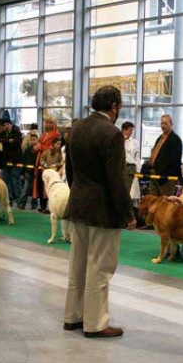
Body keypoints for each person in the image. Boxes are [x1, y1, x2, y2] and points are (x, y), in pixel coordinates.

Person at [63, 85, 136, 338]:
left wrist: (78, 195)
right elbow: (116, 181)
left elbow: (70, 171)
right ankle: (96, 324)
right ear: (114, 107)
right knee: (100, 268)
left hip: (78, 205)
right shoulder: (112, 134)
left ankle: (73, 317)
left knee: (78, 264)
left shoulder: (77, 127)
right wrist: (128, 214)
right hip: (103, 212)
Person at [146, 114, 182, 196]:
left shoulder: (175, 140)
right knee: (153, 202)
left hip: (166, 178)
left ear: (171, 124)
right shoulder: (160, 138)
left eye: (165, 123)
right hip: (154, 174)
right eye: (162, 123)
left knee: (166, 203)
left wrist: (166, 175)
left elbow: (175, 162)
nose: (163, 125)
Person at [33, 117, 60, 213]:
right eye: (47, 122)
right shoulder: (43, 134)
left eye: (50, 123)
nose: (48, 124)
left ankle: (49, 206)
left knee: (48, 183)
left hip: (49, 160)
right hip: (40, 160)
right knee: (40, 183)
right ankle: (42, 205)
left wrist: (40, 147)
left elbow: (53, 147)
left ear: (54, 124)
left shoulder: (56, 134)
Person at [0, 118, 23, 206]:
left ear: (11, 124)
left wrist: (5, 143)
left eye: (7, 124)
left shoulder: (17, 133)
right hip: (5, 161)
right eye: (4, 125)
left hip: (16, 161)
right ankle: (9, 199)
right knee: (6, 181)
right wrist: (8, 141)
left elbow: (17, 143)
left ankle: (19, 200)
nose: (6, 126)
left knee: (15, 180)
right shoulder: (2, 134)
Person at [17, 130, 38, 210]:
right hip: (27, 173)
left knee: (34, 190)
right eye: (31, 140)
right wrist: (22, 173)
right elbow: (23, 162)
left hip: (36, 173)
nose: (32, 141)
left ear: (37, 140)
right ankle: (22, 204)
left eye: (34, 140)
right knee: (25, 189)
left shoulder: (39, 151)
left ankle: (34, 204)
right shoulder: (27, 150)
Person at [122, 121, 140, 192]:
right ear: (124, 130)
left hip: (130, 168)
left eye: (132, 131)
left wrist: (138, 170)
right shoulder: (118, 140)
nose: (131, 132)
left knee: (128, 190)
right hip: (120, 167)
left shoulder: (134, 142)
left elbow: (137, 157)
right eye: (130, 130)